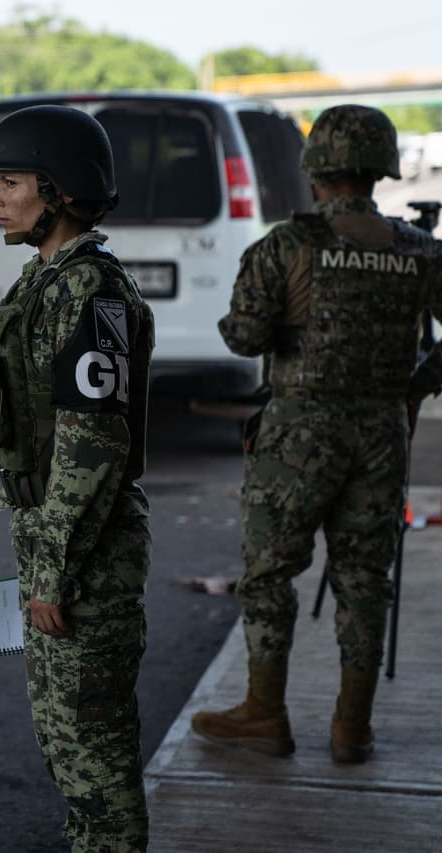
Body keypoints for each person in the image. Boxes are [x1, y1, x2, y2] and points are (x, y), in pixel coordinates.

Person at [191, 104, 442, 764]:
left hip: (298, 435)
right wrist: (417, 383)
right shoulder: (421, 251)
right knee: (365, 578)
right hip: (382, 434)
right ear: (381, 169)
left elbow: (244, 336)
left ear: (316, 169)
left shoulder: (286, 246)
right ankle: (352, 728)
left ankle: (265, 714)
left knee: (269, 574)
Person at [0, 105, 154, 852]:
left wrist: (53, 574)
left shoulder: (90, 291)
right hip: (55, 543)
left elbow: (92, 442)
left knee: (96, 765)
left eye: (10, 182)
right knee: (67, 751)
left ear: (60, 191)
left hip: (83, 560)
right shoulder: (46, 281)